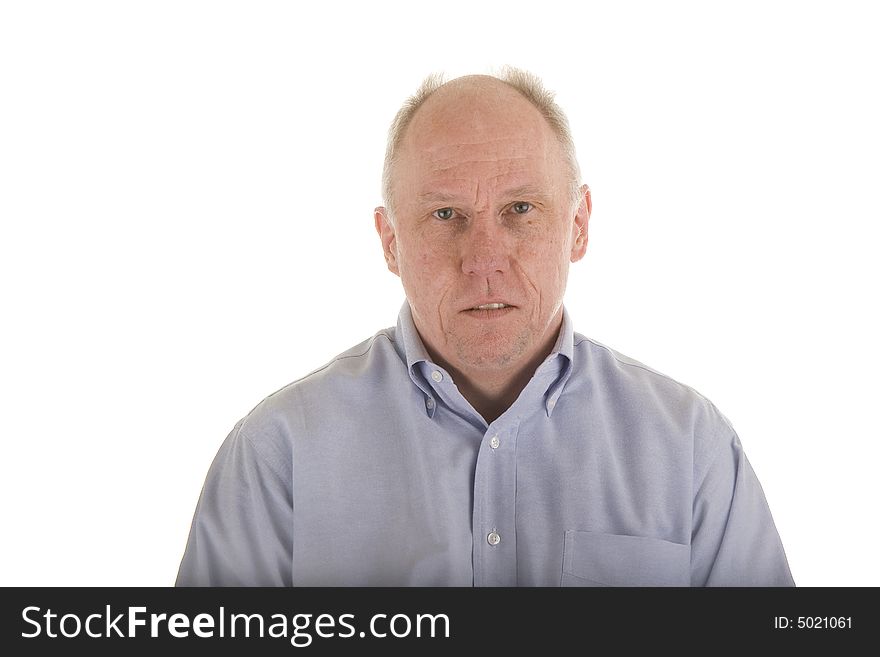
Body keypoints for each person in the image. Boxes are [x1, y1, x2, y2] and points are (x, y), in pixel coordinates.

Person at [176, 68, 794, 587]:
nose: (484, 259)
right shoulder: (277, 455)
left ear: (578, 224)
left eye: (519, 210)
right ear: (389, 241)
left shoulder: (690, 448)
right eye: (446, 214)